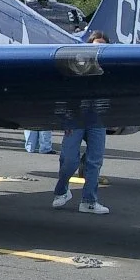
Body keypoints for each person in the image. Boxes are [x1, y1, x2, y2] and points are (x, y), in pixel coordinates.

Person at [51, 31, 111, 215]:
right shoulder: (75, 67)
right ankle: (62, 190)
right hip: (75, 117)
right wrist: (64, 118)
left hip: (98, 118)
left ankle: (89, 200)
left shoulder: (109, 69)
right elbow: (65, 92)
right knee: (69, 159)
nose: (97, 49)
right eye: (94, 45)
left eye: (101, 46)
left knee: (94, 160)